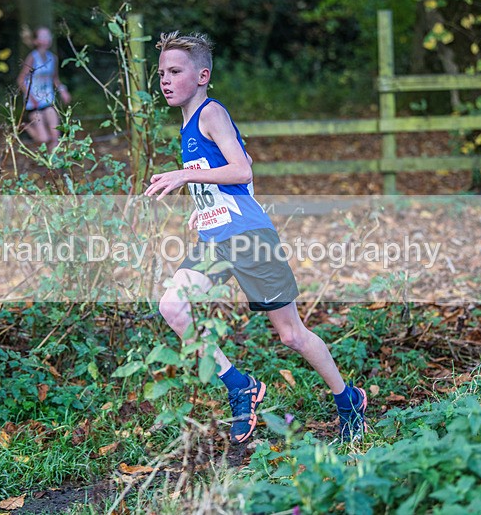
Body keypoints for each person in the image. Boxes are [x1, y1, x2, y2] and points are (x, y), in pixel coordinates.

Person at [144, 31, 367, 444]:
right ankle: (239, 385)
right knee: (173, 305)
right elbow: (225, 180)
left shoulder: (212, 114)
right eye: (162, 73)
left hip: (249, 238)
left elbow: (242, 169)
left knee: (292, 335)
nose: (166, 80)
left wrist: (185, 175)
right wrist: (202, 206)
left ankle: (348, 398)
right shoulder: (188, 124)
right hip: (218, 240)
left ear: (203, 75)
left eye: (175, 71)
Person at [17, 26, 71, 149]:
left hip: (48, 100)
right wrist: (30, 97)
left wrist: (63, 91)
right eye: (43, 36)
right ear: (36, 41)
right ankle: (25, 126)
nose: (47, 38)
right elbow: (21, 80)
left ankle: (54, 165)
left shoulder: (53, 58)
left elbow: (55, 79)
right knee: (43, 139)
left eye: (48, 36)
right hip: (34, 103)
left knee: (55, 135)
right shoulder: (32, 58)